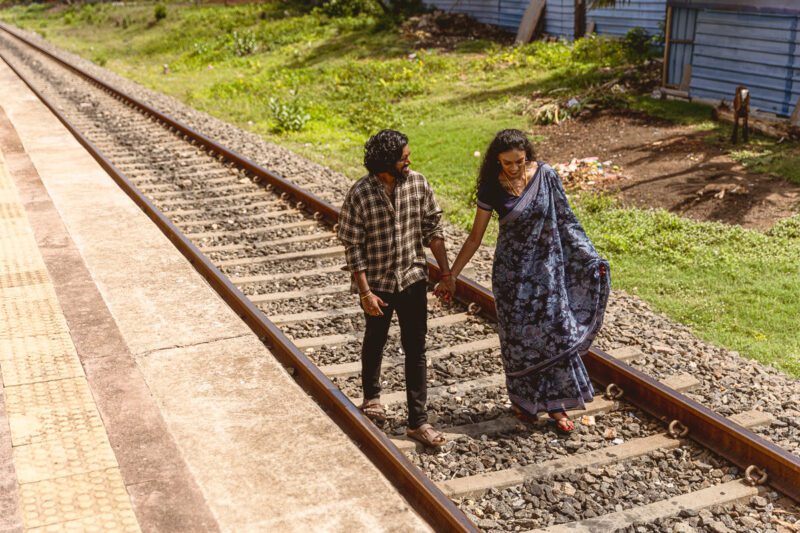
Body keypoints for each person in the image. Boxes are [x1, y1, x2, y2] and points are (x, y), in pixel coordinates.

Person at [435, 129, 609, 433]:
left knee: (555, 335)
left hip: (547, 273)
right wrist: (451, 275)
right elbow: (475, 237)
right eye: (507, 163)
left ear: (527, 154)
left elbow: (567, 221)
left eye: (519, 161)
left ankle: (556, 407)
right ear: (496, 161)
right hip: (512, 277)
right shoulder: (491, 187)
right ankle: (524, 403)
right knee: (518, 344)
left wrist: (590, 258)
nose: (514, 168)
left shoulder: (546, 176)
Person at [338, 129, 452, 447]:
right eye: (404, 157)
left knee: (416, 349)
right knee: (375, 339)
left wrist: (446, 272)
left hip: (413, 279)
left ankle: (418, 421)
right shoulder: (360, 193)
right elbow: (353, 247)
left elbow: (433, 229)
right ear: (387, 162)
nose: (409, 161)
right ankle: (372, 399)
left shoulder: (417, 183)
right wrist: (364, 292)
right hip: (377, 284)